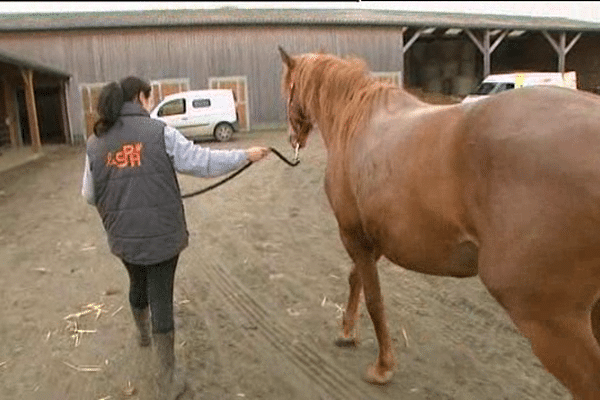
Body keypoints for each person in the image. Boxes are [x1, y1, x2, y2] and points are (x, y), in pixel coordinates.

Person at [81, 76, 270, 399]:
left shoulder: (95, 142)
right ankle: (166, 381)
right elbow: (202, 162)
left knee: (137, 283)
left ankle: (142, 335)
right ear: (140, 97)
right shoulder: (160, 133)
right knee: (161, 297)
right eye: (147, 97)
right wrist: (244, 155)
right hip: (162, 235)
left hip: (123, 237)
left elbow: (88, 194)